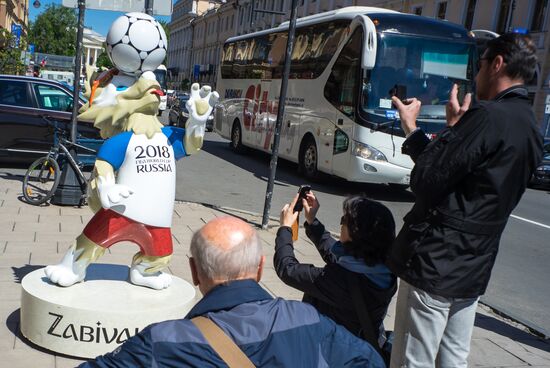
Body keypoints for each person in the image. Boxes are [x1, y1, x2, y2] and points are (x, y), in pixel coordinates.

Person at [387, 33, 543, 368]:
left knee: (412, 361)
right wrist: (438, 134)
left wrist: (444, 130)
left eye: (482, 64)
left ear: (498, 64)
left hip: (436, 262)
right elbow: (469, 184)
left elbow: (426, 181)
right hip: (474, 266)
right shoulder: (531, 126)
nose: (477, 73)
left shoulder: (487, 117)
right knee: (454, 360)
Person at [80, 216, 385, 367]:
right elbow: (370, 362)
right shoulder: (309, 320)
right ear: (260, 267)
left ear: (194, 272)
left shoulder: (161, 342)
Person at [275, 192, 397, 348]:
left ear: (357, 233)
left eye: (344, 220)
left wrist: (285, 228)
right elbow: (335, 254)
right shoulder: (384, 270)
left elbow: (287, 269)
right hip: (363, 344)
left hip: (334, 352)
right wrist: (312, 222)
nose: (341, 225)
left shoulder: (340, 279)